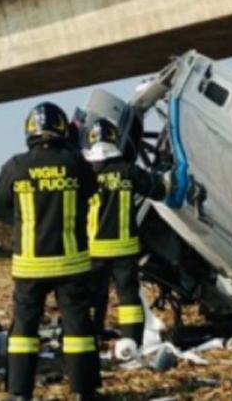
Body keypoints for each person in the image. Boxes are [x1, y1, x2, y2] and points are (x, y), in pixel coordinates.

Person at [0, 102, 101, 401]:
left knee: (23, 330)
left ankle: (19, 393)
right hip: (71, 263)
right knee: (78, 330)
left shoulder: (15, 166)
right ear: (63, 128)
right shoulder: (77, 164)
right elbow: (92, 190)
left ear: (29, 130)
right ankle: (83, 392)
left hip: (29, 266)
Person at [82, 118, 168, 349]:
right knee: (129, 299)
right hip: (124, 248)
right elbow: (158, 190)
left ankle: (90, 338)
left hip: (94, 249)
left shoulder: (86, 173)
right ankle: (132, 342)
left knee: (93, 297)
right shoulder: (128, 170)